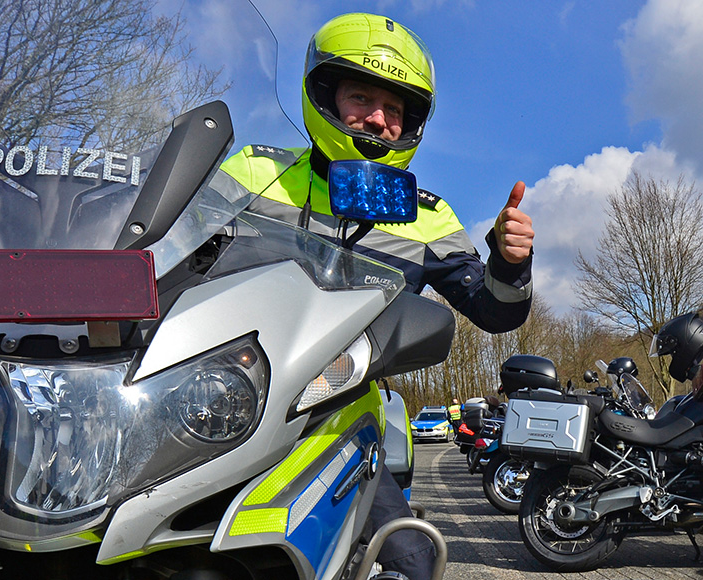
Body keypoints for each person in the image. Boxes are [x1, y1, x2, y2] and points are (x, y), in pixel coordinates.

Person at [222, 12, 534, 580]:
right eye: (362, 97)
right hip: (225, 401)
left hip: (338, 419)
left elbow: (494, 314)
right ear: (324, 95)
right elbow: (170, 251)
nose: (379, 119)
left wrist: (509, 263)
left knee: (412, 564)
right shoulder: (254, 172)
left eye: (395, 110)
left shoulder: (429, 215)